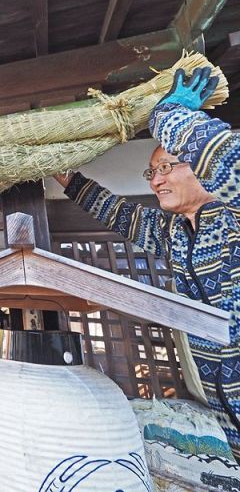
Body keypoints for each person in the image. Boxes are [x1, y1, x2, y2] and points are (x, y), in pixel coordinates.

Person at [53, 67, 240, 459]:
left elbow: (226, 156)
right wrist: (69, 180)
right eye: (151, 172)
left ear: (199, 166)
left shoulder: (234, 217)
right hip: (229, 417)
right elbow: (123, 215)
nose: (156, 181)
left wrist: (166, 112)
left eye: (166, 167)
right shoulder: (177, 231)